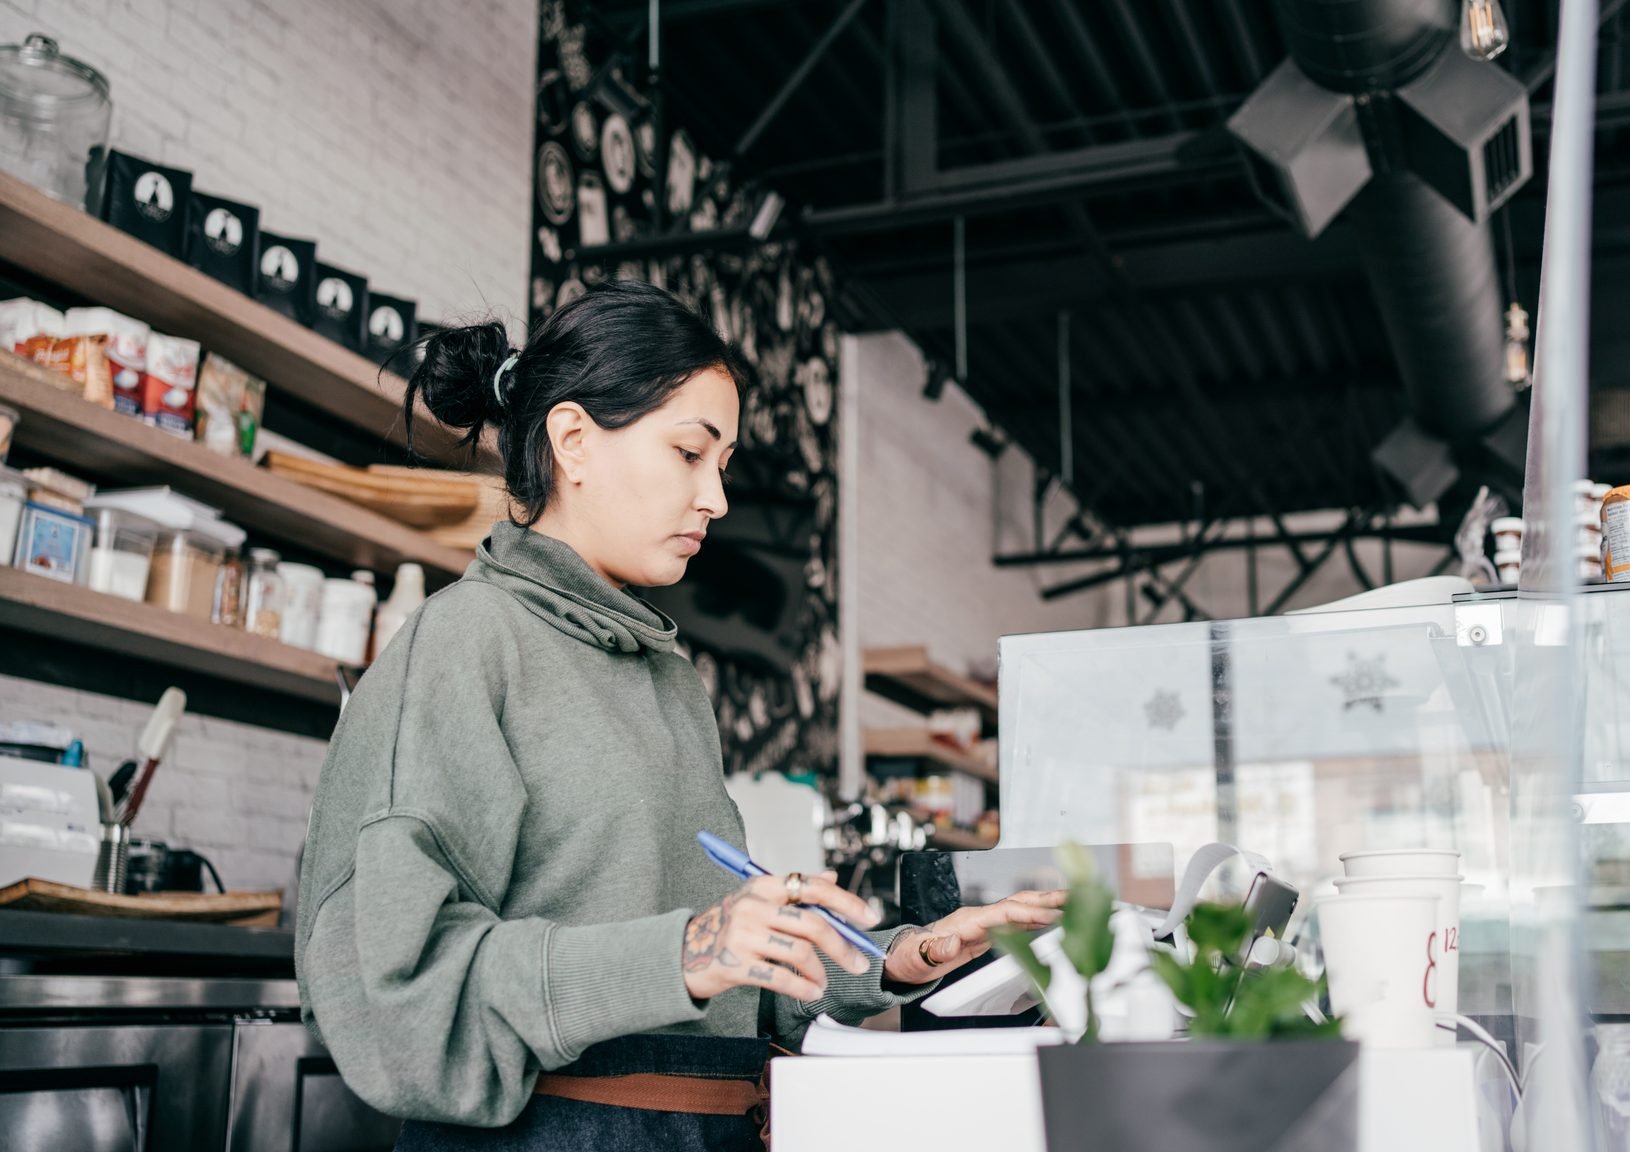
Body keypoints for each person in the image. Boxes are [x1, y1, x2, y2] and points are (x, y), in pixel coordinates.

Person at [294, 281, 1062, 1150]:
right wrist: (686, 950)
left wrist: (896, 958)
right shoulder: (466, 642)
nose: (716, 500)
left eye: (722, 465)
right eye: (690, 453)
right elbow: (395, 995)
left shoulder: (666, 675)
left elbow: (724, 987)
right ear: (573, 441)